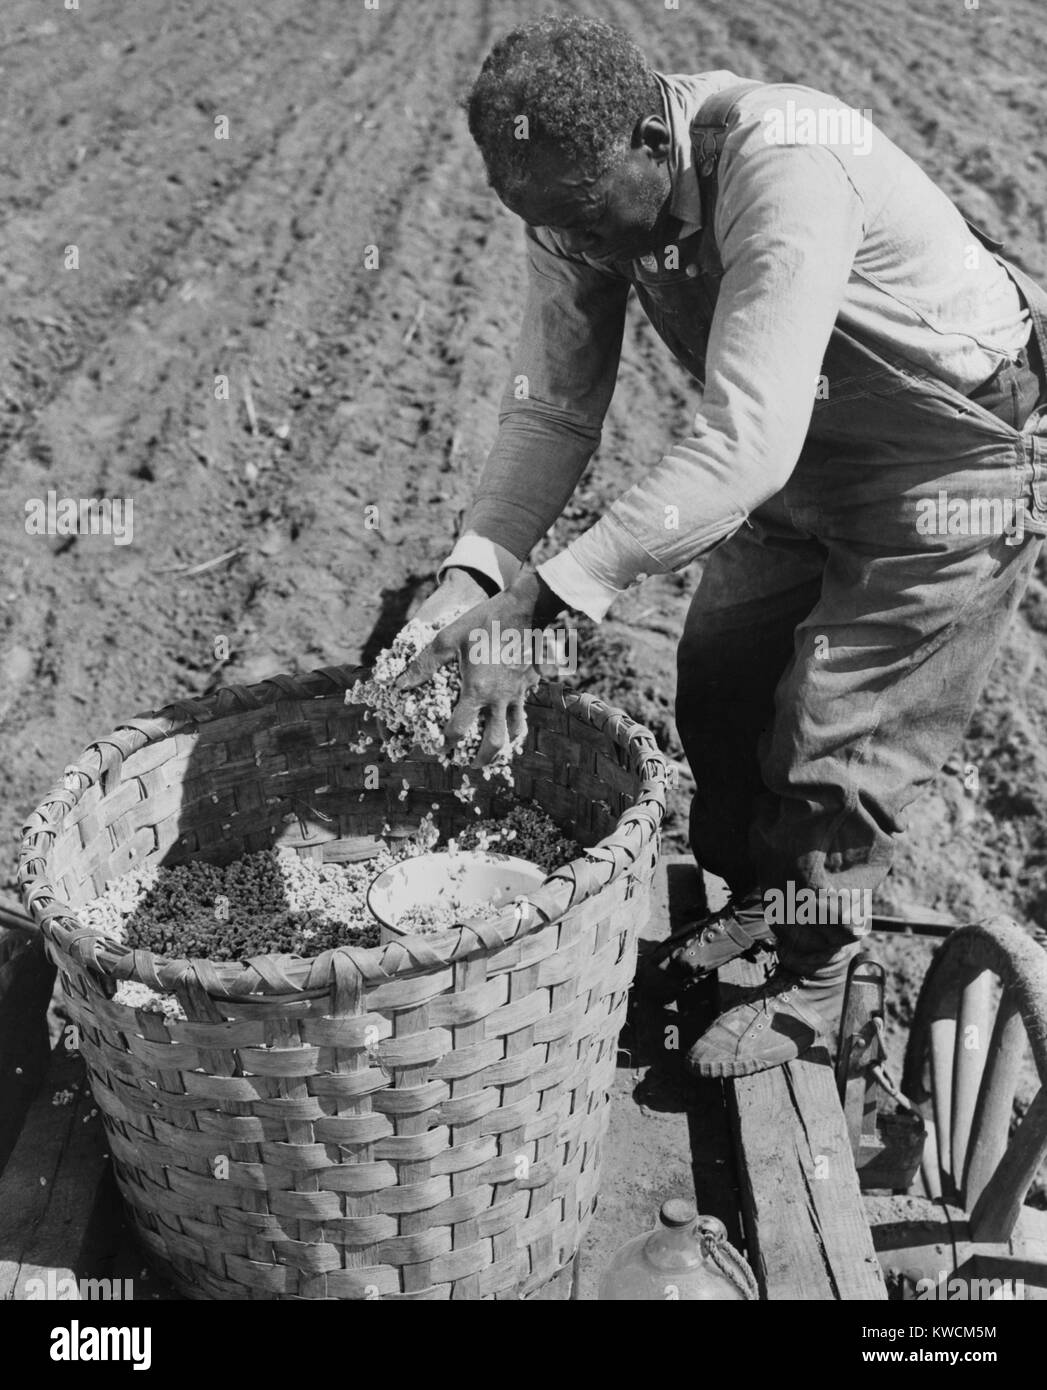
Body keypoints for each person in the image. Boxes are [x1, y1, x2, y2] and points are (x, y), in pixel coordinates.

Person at [396, 15, 1047, 1077]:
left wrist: (540, 605)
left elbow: (744, 439)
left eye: (594, 224)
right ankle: (762, 906)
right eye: (552, 228)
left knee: (836, 731)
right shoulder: (571, 203)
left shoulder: (785, 159)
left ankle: (821, 984)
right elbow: (555, 409)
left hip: (948, 467)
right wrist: (474, 568)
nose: (588, 251)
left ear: (655, 141)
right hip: (804, 453)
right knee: (721, 677)